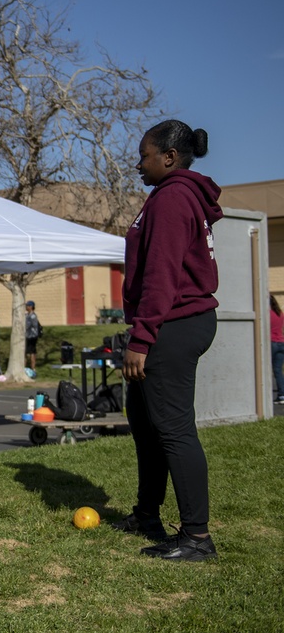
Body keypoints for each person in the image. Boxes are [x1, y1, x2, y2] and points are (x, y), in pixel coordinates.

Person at [114, 119, 222, 562]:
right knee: (144, 423)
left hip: (172, 325)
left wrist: (142, 338)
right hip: (168, 322)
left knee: (174, 430)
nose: (138, 164)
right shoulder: (167, 195)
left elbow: (162, 275)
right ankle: (147, 515)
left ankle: (197, 538)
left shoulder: (174, 198)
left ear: (169, 157)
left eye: (144, 156)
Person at [270, 295, 284, 404]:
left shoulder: (267, 314)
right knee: (278, 370)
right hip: (281, 342)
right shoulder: (280, 313)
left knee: (265, 370)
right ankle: (282, 395)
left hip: (271, 343)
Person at [24, 300, 41, 371]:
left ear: (31, 307)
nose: (26, 307)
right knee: (26, 352)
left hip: (32, 336)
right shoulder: (27, 315)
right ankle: (24, 367)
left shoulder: (33, 316)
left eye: (28, 306)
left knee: (32, 352)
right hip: (27, 336)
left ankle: (33, 368)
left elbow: (28, 325)